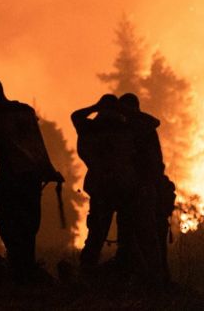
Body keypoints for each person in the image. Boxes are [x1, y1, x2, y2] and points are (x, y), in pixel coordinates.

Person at [0, 77, 63, 284]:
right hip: (32, 178)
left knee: (8, 222)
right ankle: (28, 266)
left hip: (10, 177)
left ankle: (17, 267)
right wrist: (48, 170)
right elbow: (38, 144)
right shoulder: (26, 111)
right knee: (29, 223)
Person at [71, 94, 138, 272]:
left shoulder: (89, 128)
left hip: (102, 189)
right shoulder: (126, 128)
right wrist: (124, 111)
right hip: (123, 188)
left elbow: (76, 116)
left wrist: (96, 107)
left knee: (96, 235)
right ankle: (122, 270)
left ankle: (88, 270)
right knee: (124, 234)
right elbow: (151, 123)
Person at [119, 92, 173, 285]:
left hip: (144, 189)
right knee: (146, 235)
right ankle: (153, 276)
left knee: (148, 234)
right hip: (145, 188)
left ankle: (154, 277)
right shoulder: (143, 128)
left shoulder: (138, 129)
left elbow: (150, 163)